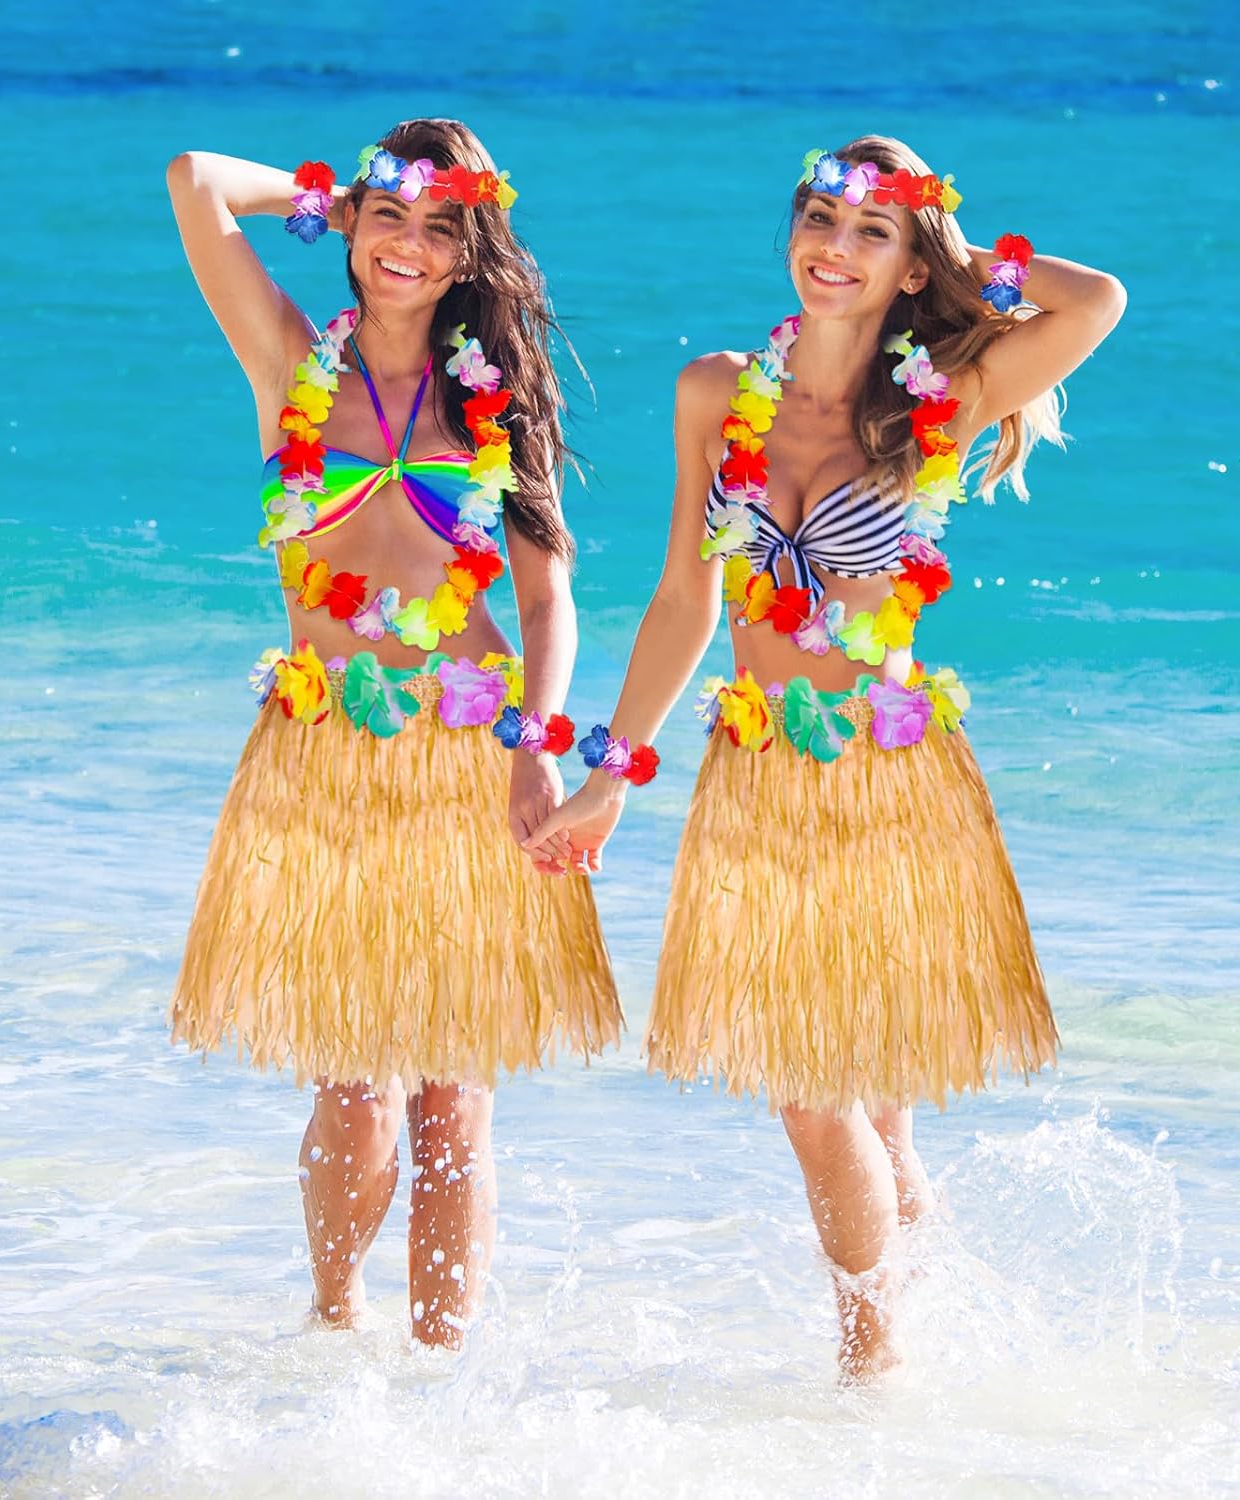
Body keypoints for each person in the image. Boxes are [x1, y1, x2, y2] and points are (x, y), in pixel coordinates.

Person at [523, 136, 1125, 1379]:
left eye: (868, 233)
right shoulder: (717, 392)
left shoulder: (939, 400)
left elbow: (1097, 302)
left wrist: (948, 245)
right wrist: (610, 776)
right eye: (819, 220)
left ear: (911, 266)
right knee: (867, 1112)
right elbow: (685, 600)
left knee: (816, 1089)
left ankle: (873, 1372)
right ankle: (938, 1354)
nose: (833, 248)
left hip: (889, 777)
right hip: (757, 777)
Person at [166, 118, 621, 1346]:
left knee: (453, 1098)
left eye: (439, 228)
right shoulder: (287, 362)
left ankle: (440, 1381)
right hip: (323, 752)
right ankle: (333, 1331)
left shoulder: (497, 403)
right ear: (353, 224)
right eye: (389, 217)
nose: (409, 246)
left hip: (469, 751)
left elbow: (547, 600)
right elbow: (197, 180)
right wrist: (325, 194)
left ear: (472, 253)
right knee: (355, 1084)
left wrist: (534, 744)